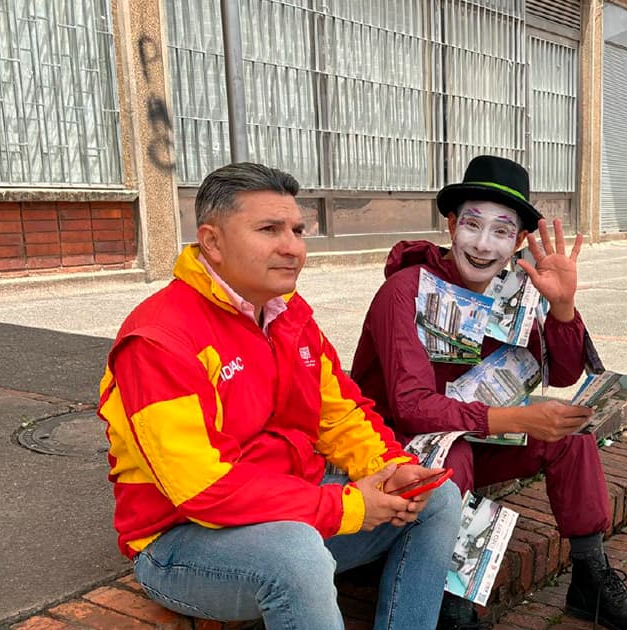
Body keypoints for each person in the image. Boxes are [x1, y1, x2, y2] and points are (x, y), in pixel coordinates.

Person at [98, 162, 461, 630]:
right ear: (212, 241)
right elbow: (202, 490)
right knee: (296, 554)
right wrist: (345, 507)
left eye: (296, 229)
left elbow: (341, 415)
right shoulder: (159, 340)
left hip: (293, 508)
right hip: (182, 543)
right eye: (269, 229)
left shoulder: (289, 314)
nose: (292, 247)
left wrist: (389, 469)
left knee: (437, 499)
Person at [351, 155, 627, 630]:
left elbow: (558, 373)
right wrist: (516, 420)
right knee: (452, 457)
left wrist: (562, 306)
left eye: (501, 231)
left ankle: (590, 577)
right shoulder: (405, 290)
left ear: (519, 241)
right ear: (451, 224)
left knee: (571, 436)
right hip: (393, 446)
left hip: (477, 434)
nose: (482, 245)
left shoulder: (515, 292)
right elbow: (410, 407)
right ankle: (450, 604)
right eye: (472, 225)